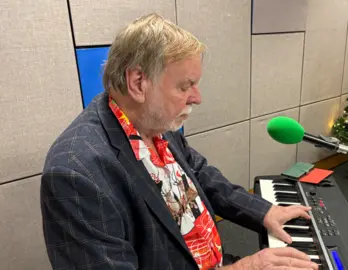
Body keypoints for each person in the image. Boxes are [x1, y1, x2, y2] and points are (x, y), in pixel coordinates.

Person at [40, 13, 318, 270]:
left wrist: (265, 211)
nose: (197, 98)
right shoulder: (75, 173)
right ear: (138, 82)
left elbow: (201, 174)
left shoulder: (155, 120)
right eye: (185, 86)